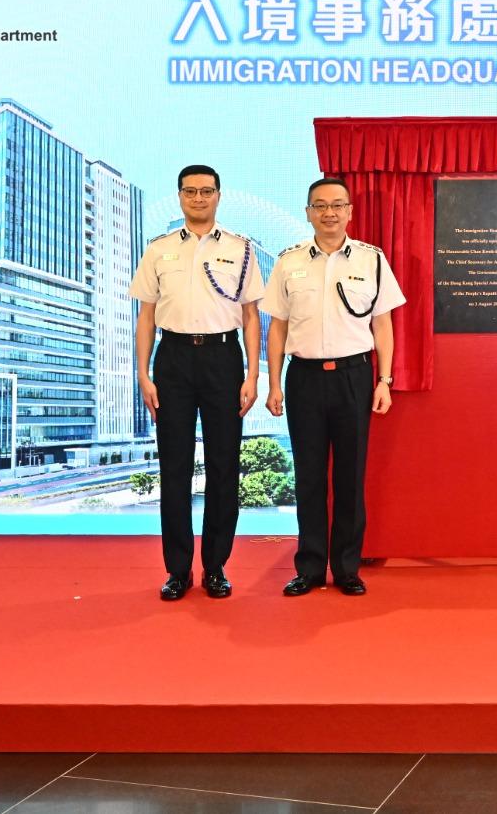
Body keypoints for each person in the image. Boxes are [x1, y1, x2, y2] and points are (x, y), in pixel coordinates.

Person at [264, 178, 405, 597]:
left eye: (337, 205)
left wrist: (385, 380)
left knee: (349, 475)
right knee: (307, 477)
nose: (329, 213)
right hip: (303, 377)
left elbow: (383, 324)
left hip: (354, 377)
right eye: (320, 205)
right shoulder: (289, 262)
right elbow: (278, 328)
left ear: (349, 211)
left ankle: (346, 568)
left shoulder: (371, 260)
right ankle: (308, 568)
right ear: (308, 211)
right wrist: (274, 383)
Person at [130, 164, 264, 601]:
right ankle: (177, 571)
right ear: (180, 196)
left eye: (207, 191)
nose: (199, 198)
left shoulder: (241, 249)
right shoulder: (159, 249)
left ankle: (216, 567)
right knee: (175, 467)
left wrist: (252, 374)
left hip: (224, 360)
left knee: (225, 467)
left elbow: (250, 315)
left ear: (218, 195)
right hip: (173, 360)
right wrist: (143, 373)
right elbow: (146, 316)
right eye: (191, 192)